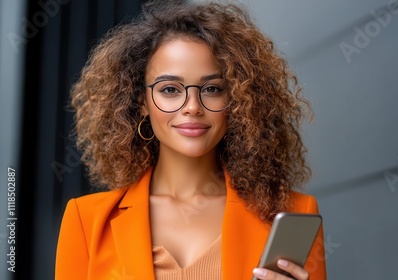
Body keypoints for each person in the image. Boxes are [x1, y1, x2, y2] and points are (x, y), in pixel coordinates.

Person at [55, 1, 326, 279]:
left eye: (212, 88)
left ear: (238, 99)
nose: (192, 107)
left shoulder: (294, 213)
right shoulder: (86, 221)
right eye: (170, 89)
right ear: (142, 102)